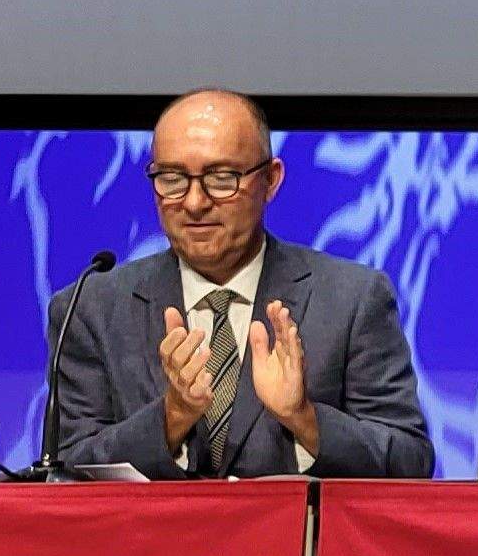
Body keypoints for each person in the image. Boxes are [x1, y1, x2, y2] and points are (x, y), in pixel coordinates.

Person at [46, 88, 432, 479]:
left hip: (294, 539)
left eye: (221, 177)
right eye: (173, 178)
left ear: (270, 180)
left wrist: (305, 419)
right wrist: (171, 418)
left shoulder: (353, 299)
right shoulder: (89, 308)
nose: (194, 203)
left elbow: (409, 460)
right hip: (147, 539)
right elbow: (68, 466)